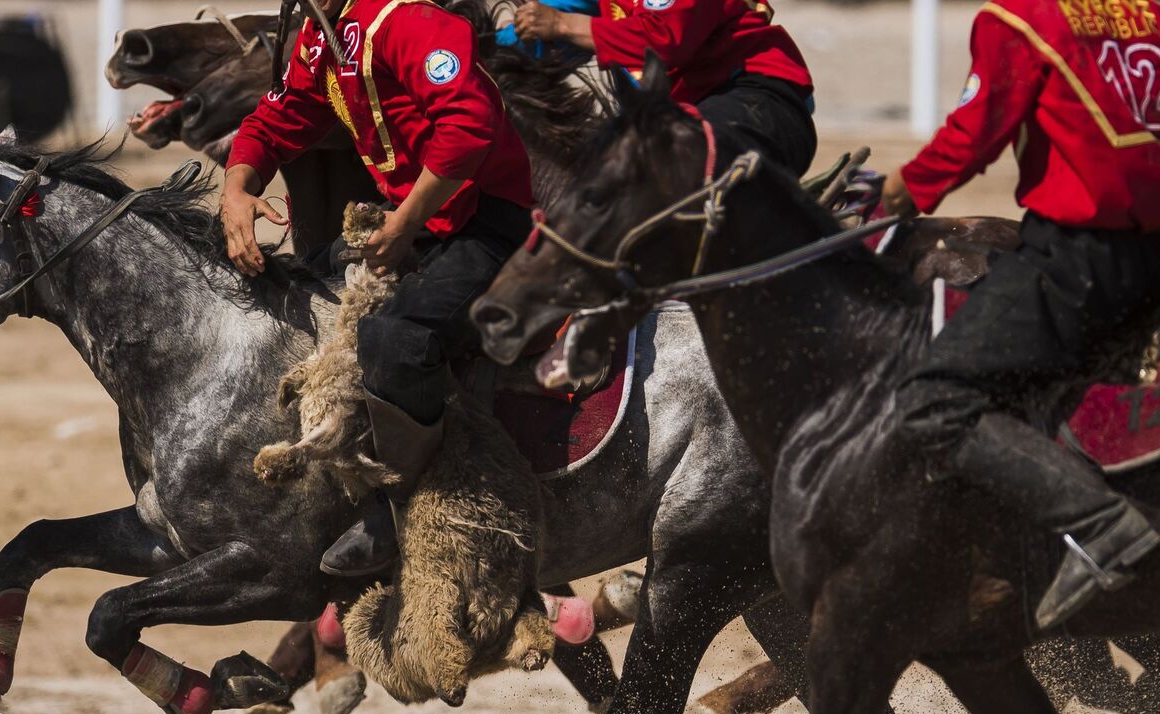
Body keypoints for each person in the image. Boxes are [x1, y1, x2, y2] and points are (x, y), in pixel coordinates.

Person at [879, 0, 1160, 632]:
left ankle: (1098, 525)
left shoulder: (1018, 21)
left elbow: (971, 136)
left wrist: (897, 193)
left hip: (1071, 266)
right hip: (1157, 263)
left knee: (931, 398)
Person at [221, 0, 536, 576]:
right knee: (298, 286)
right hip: (414, 222)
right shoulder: (329, 34)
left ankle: (404, 510)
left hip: (485, 224)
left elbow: (468, 128)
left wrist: (408, 222)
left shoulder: (411, 21)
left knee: (394, 337)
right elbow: (278, 117)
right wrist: (236, 189)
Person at [510, 0, 817, 175]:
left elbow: (666, 39)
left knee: (675, 161)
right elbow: (541, 29)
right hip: (682, 116)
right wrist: (484, 54)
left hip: (757, 97)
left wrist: (563, 24)